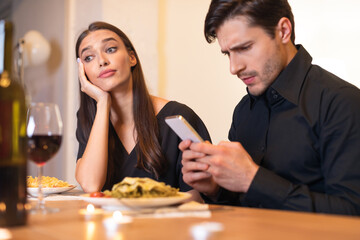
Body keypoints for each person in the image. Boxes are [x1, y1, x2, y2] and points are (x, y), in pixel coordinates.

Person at [180, 0, 360, 215]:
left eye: (244, 48)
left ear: (283, 31)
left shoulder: (341, 102)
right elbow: (242, 210)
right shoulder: (243, 111)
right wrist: (216, 190)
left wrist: (252, 180)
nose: (234, 67)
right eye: (228, 53)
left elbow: (353, 212)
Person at [74, 21, 211, 201]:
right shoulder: (90, 119)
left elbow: (201, 194)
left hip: (167, 226)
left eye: (110, 49)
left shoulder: (178, 116)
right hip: (111, 228)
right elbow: (91, 185)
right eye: (89, 58)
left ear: (132, 58)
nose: (102, 61)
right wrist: (102, 103)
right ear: (83, 72)